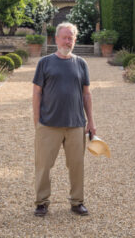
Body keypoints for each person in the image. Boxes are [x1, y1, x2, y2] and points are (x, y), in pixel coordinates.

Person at [32, 22, 96, 217]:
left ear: (74, 40)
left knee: (77, 166)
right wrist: (37, 122)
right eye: (65, 37)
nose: (67, 41)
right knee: (43, 166)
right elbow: (36, 94)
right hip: (49, 125)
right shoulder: (44, 63)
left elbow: (86, 95)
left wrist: (91, 122)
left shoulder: (81, 63)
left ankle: (77, 202)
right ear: (56, 39)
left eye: (71, 38)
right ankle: (41, 203)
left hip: (76, 125)